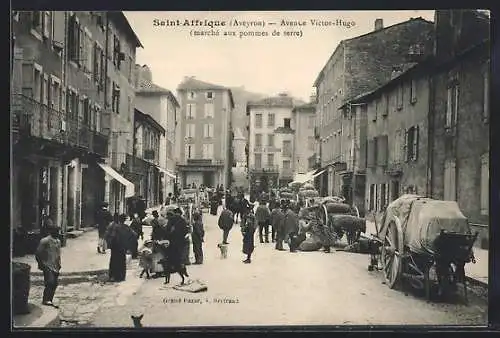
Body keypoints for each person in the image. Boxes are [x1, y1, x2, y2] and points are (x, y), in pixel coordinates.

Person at [35, 224, 61, 308]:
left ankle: (50, 299)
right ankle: (45, 299)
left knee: (55, 284)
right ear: (51, 232)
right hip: (47, 265)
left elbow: (58, 254)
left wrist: (59, 263)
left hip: (55, 265)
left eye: (58, 231)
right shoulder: (45, 241)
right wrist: (41, 264)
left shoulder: (58, 241)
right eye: (56, 231)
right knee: (50, 282)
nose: (57, 233)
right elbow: (38, 253)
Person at [105, 214, 130, 282]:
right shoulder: (126, 227)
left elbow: (110, 236)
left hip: (115, 247)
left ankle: (113, 276)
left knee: (114, 261)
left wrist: (110, 244)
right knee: (122, 261)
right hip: (122, 247)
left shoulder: (115, 227)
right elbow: (132, 236)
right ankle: (121, 277)